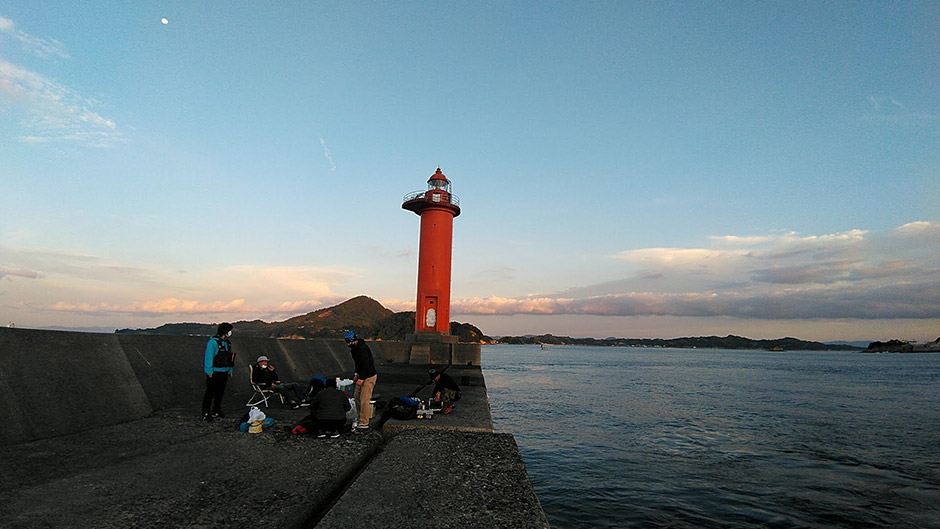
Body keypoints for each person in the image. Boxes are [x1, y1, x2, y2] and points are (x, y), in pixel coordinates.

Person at [202, 322, 235, 421]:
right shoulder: (213, 342)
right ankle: (206, 412)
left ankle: (217, 409)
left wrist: (230, 370)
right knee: (210, 393)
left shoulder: (227, 343)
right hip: (214, 372)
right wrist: (209, 371)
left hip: (224, 371)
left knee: (220, 392)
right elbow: (208, 357)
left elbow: (229, 358)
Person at [345, 331, 377, 430]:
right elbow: (358, 364)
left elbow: (365, 364)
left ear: (354, 340)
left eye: (350, 342)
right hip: (361, 375)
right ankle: (360, 417)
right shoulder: (354, 349)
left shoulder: (362, 349)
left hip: (369, 376)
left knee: (364, 400)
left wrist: (362, 378)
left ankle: (364, 422)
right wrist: (356, 374)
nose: (349, 344)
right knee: (356, 396)